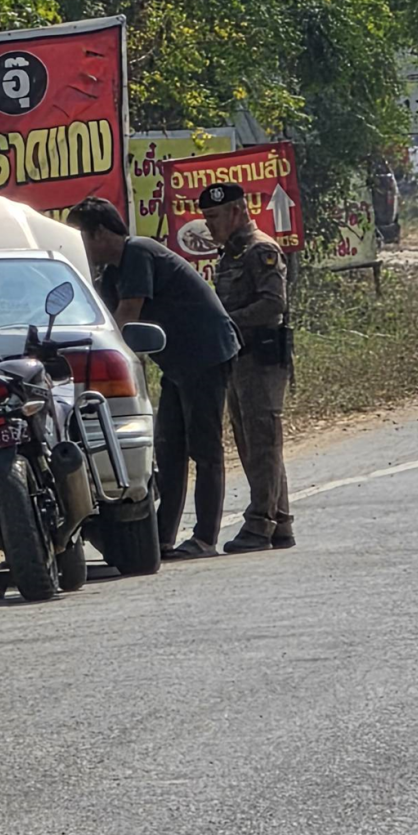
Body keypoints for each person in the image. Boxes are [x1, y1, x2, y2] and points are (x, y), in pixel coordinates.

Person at [67, 196, 240, 560]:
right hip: (176, 363)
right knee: (169, 449)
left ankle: (205, 538)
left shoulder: (138, 253)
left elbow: (126, 316)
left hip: (205, 354)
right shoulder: (112, 273)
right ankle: (161, 537)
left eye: (81, 237)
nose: (80, 248)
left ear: (100, 233)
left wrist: (95, 362)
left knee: (205, 449)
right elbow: (103, 323)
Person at [200, 182, 295, 553]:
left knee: (263, 442)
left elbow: (273, 304)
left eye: (214, 216)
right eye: (206, 217)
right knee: (252, 443)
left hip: (262, 358)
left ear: (237, 211)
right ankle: (280, 522)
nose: (209, 225)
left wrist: (225, 322)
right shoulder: (232, 254)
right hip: (239, 359)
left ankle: (259, 524)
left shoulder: (261, 250)